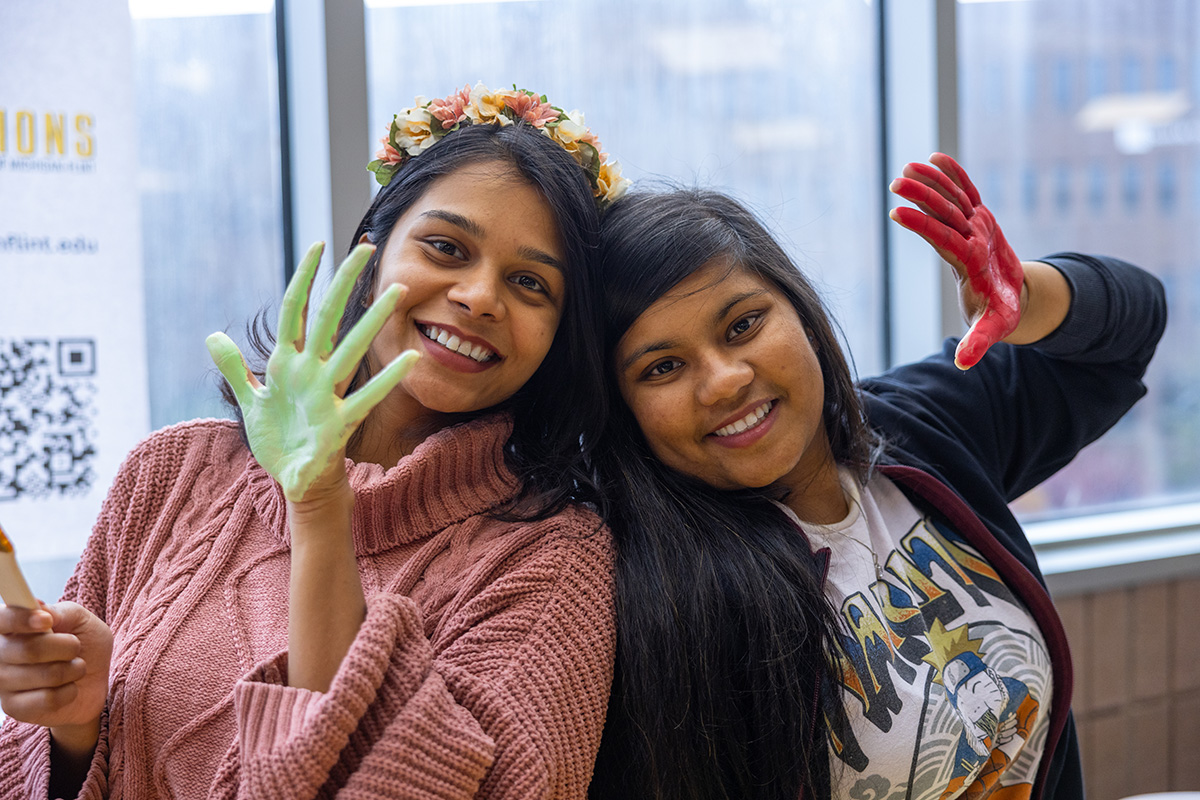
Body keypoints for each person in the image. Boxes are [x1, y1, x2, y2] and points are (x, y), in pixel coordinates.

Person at [0, 82, 628, 799]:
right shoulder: (168, 473)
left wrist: (322, 506)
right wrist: (73, 730)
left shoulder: (553, 560)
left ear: (559, 334)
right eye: (446, 247)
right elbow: (43, 763)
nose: (481, 295)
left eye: (530, 283)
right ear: (370, 261)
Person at [587, 154, 1165, 800]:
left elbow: (1130, 334)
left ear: (802, 312)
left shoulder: (917, 426)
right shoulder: (655, 601)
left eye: (743, 324)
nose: (725, 379)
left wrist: (1026, 298)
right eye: (662, 368)